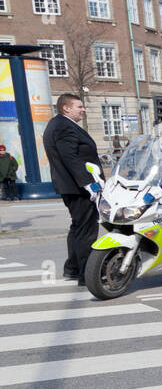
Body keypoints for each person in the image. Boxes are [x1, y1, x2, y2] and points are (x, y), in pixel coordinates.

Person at [41, 94, 101, 283]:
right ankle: (86, 274)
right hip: (77, 186)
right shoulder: (63, 126)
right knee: (86, 229)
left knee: (77, 227)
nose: (83, 110)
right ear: (66, 108)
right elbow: (71, 158)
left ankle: (73, 267)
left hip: (71, 185)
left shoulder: (59, 124)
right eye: (79, 107)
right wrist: (88, 183)